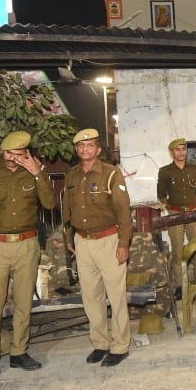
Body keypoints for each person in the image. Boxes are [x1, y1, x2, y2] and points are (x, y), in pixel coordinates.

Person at [0, 131, 57, 389]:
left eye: (18, 154)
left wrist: (37, 172)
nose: (13, 159)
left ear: (26, 153)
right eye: (8, 154)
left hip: (27, 244)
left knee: (23, 301)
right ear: (1, 152)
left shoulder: (32, 170)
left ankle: (19, 352)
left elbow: (50, 204)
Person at [63, 129, 134, 367]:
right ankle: (100, 343)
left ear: (98, 150)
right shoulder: (71, 176)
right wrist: (69, 238)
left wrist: (123, 244)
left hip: (109, 240)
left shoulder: (111, 174)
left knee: (116, 296)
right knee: (91, 297)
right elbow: (66, 210)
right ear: (77, 149)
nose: (85, 149)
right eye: (81, 146)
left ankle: (120, 345)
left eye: (90, 145)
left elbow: (124, 212)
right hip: (83, 242)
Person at [157, 137, 196, 295]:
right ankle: (178, 286)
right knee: (177, 250)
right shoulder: (165, 171)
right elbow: (161, 195)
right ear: (171, 153)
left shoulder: (194, 169)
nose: (181, 152)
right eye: (177, 149)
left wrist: (189, 206)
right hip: (175, 214)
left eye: (183, 149)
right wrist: (174, 208)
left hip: (192, 213)